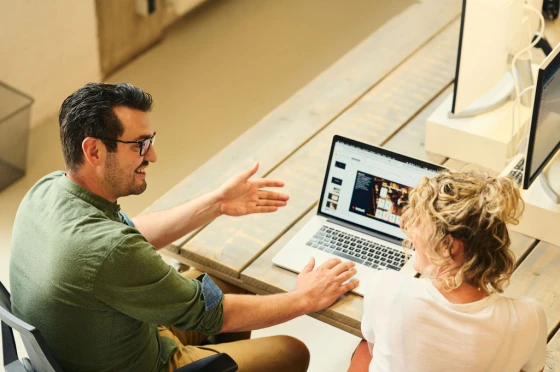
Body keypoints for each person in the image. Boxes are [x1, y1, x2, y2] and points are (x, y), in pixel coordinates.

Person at [9, 82, 359, 372]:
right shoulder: (110, 251)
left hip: (107, 336)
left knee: (232, 281)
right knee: (291, 351)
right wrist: (305, 298)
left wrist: (217, 203)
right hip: (148, 361)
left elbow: (130, 234)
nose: (154, 156)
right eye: (140, 145)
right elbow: (216, 315)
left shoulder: (48, 190)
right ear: (95, 150)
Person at [348, 169, 547, 372]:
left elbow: (374, 351)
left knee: (363, 346)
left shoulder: (386, 287)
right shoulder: (528, 318)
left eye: (420, 223)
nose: (410, 229)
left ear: (449, 246)